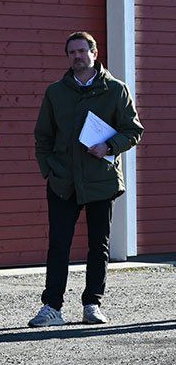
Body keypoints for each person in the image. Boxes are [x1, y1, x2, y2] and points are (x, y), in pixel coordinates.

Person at [29, 31, 143, 327]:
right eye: (72, 52)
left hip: (100, 180)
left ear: (94, 53)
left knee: (98, 245)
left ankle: (92, 304)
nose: (77, 56)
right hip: (62, 181)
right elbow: (43, 136)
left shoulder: (115, 90)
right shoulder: (56, 92)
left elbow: (133, 130)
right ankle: (52, 307)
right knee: (58, 245)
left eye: (82, 51)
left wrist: (109, 146)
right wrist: (49, 170)